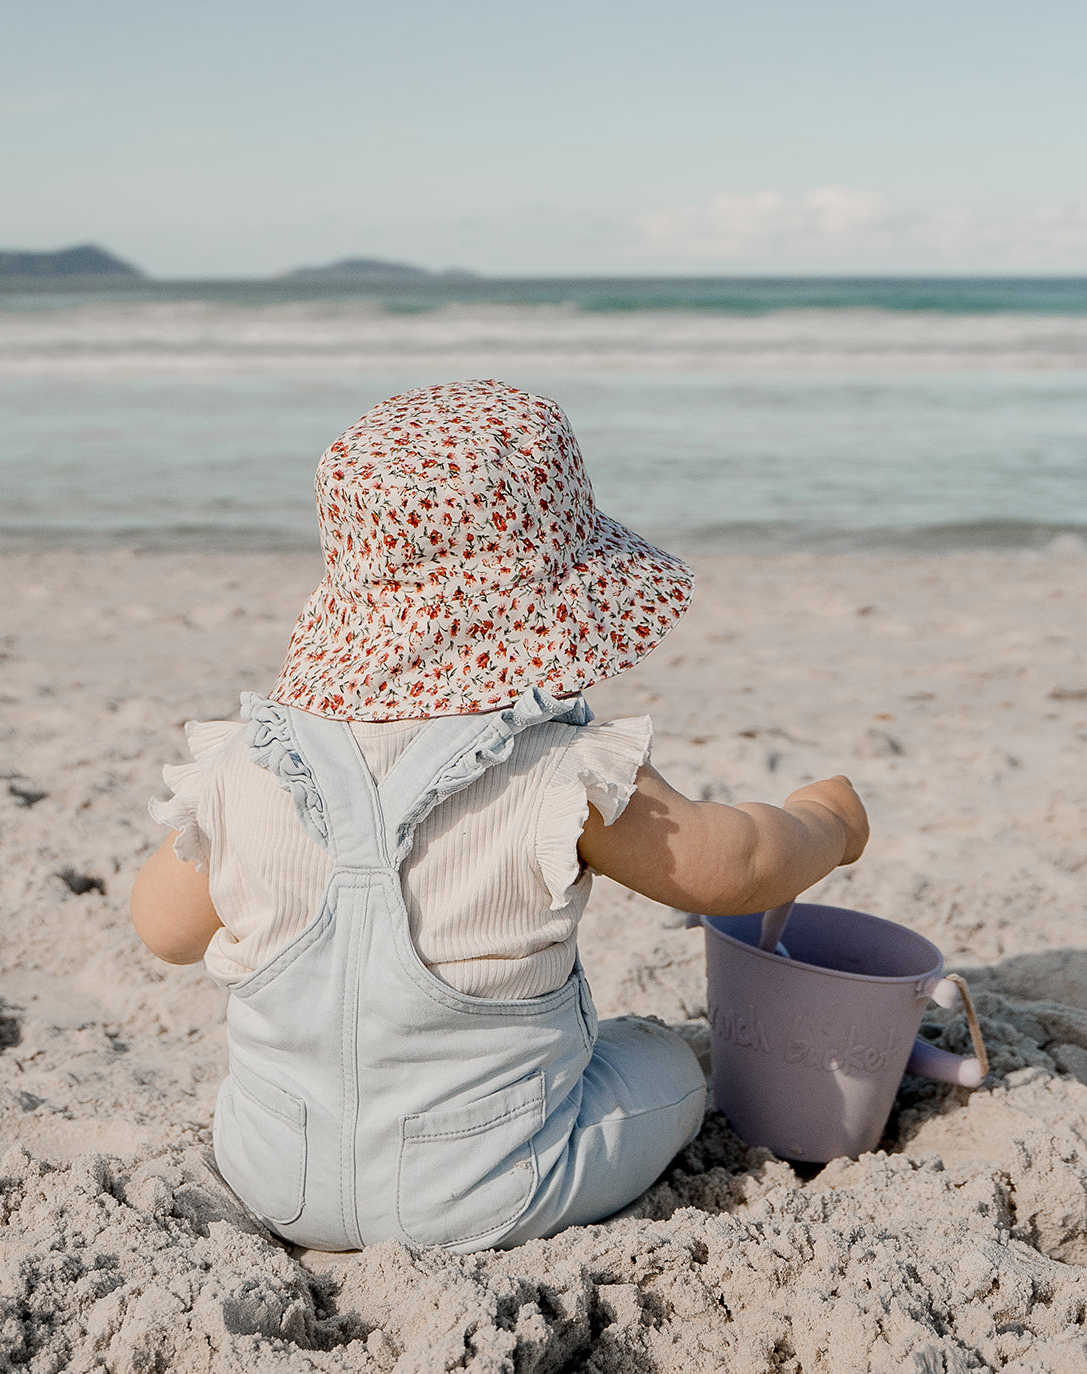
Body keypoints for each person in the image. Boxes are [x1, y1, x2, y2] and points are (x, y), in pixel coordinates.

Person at [131, 379, 868, 1254]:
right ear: (555, 601)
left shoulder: (248, 762)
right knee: (666, 1060)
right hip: (494, 1189)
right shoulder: (550, 769)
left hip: (272, 1175)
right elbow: (734, 866)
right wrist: (825, 821)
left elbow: (165, 932)